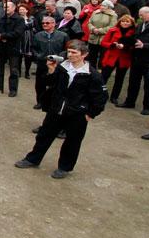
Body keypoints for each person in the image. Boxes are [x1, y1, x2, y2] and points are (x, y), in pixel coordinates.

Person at [15, 40, 108, 179]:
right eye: (69, 52)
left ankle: (64, 167)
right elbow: (48, 83)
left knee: (72, 142)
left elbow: (101, 97)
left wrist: (90, 114)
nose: (70, 55)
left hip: (77, 114)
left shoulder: (92, 74)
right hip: (56, 109)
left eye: (74, 52)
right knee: (44, 136)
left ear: (84, 55)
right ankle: (33, 159)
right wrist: (51, 70)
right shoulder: (62, 67)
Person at [119, 7, 149, 114]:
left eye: (142, 15)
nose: (140, 17)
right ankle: (130, 101)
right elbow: (135, 37)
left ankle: (148, 107)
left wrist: (144, 45)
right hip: (137, 57)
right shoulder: (142, 24)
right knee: (133, 82)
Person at [100, 15, 137, 105]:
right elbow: (104, 42)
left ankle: (114, 97)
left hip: (124, 58)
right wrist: (112, 45)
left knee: (119, 79)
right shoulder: (113, 30)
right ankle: (100, 94)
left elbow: (134, 46)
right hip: (111, 57)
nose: (125, 23)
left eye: (127, 22)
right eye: (123, 21)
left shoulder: (134, 33)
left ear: (131, 23)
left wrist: (125, 47)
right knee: (104, 77)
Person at [0, 1, 24, 96]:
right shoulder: (2, 18)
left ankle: (13, 89)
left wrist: (3, 36)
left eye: (8, 7)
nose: (6, 9)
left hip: (13, 47)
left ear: (14, 8)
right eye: (5, 7)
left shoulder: (19, 19)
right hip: (1, 47)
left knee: (13, 70)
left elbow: (17, 33)